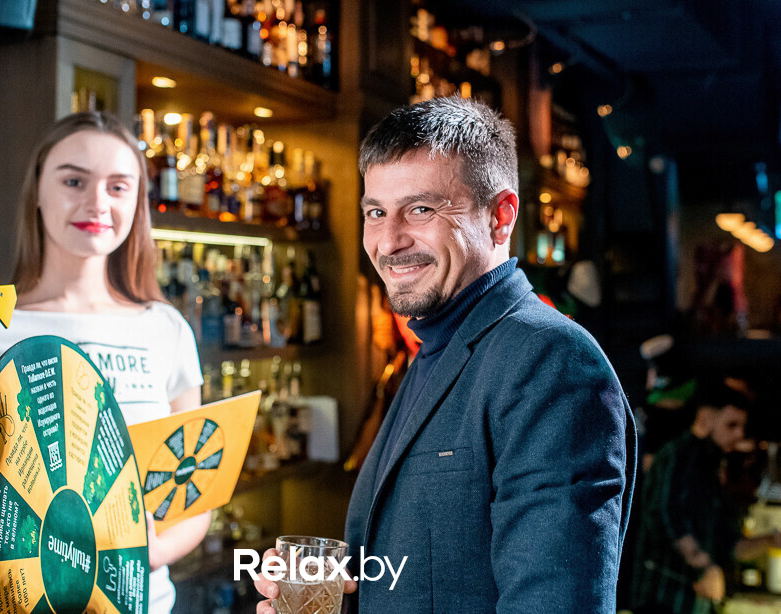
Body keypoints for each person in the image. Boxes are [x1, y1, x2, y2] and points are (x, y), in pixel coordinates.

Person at [256, 96, 636, 612]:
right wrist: (344, 597)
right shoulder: (438, 344)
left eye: (421, 209)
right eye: (375, 212)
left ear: (501, 217)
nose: (388, 241)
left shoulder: (551, 361)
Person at [0, 111, 210, 612]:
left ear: (138, 204)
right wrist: (6, 562)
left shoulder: (167, 329)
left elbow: (194, 499)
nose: (97, 202)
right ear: (38, 194)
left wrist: (154, 549)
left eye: (119, 186)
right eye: (74, 180)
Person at [632, 380, 781, 614]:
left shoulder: (711, 471)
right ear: (705, 419)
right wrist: (706, 566)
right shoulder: (676, 455)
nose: (739, 434)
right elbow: (667, 514)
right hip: (663, 603)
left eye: (742, 426)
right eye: (731, 425)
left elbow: (729, 543)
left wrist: (771, 541)